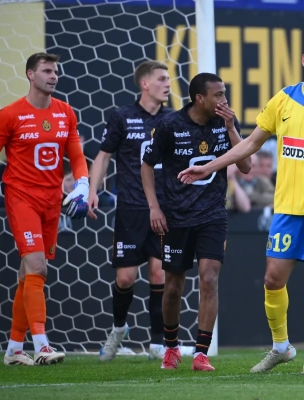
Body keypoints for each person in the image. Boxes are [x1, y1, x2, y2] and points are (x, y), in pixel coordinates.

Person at [178, 38, 304, 375]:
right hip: (287, 205)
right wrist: (209, 166)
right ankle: (281, 348)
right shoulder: (283, 99)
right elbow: (251, 144)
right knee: (272, 279)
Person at [0, 52, 90, 366]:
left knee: (29, 274)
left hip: (52, 200)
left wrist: (83, 184)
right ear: (30, 75)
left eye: (56, 71)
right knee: (38, 267)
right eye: (47, 71)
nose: (53, 76)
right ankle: (42, 345)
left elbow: (77, 155)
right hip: (21, 197)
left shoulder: (65, 112)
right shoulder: (10, 114)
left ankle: (13, 349)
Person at [141, 72, 251, 371]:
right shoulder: (170, 125)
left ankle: (201, 354)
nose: (224, 100)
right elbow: (147, 166)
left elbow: (245, 165)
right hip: (176, 217)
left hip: (213, 215)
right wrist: (154, 208)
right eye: (218, 95)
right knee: (173, 286)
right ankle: (171, 347)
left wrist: (231, 128)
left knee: (209, 278)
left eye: (224, 93)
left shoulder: (225, 123)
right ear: (200, 98)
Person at [88, 60, 173, 362]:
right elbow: (103, 156)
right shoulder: (122, 116)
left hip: (163, 209)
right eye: (161, 79)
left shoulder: (172, 119)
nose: (168, 84)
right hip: (130, 209)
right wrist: (93, 190)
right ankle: (118, 329)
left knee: (158, 273)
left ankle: (158, 343)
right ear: (144, 84)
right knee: (125, 278)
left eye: (169, 79)